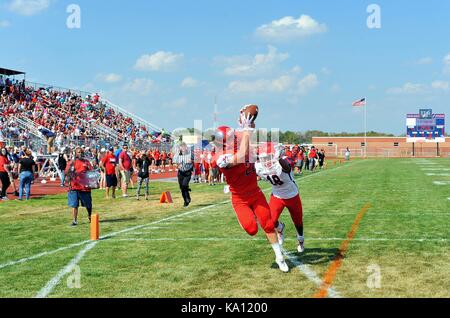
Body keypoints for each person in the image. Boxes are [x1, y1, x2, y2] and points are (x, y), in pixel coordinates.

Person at [215, 110, 289, 273]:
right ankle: (269, 222)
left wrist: (246, 124)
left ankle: (279, 256)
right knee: (252, 229)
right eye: (231, 139)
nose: (235, 139)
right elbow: (241, 155)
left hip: (255, 193)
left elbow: (249, 136)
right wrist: (247, 130)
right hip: (240, 198)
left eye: (234, 137)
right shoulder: (221, 158)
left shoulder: (240, 141)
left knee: (267, 225)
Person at [255, 142, 305, 253]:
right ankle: (280, 228)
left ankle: (301, 240)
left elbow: (287, 167)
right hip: (277, 195)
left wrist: (278, 159)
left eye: (269, 157)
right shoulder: (259, 166)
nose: (266, 161)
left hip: (292, 195)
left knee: (298, 221)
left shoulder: (284, 160)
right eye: (264, 158)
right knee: (270, 222)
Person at [66, 147, 94, 226]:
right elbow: (66, 173)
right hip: (74, 187)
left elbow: (91, 172)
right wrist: (70, 173)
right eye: (78, 152)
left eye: (81, 152)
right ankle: (74, 220)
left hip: (84, 187)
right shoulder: (72, 162)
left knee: (88, 204)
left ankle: (90, 216)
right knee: (75, 205)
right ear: (75, 153)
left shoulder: (86, 162)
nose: (80, 153)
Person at [173, 143, 194, 207]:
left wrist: (191, 161)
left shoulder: (190, 154)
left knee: (184, 185)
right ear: (180, 148)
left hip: (187, 172)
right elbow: (174, 163)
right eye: (182, 147)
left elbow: (196, 160)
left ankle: (188, 198)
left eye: (184, 147)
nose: (183, 149)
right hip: (180, 173)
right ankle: (185, 201)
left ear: (186, 148)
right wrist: (177, 165)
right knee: (182, 188)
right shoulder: (177, 154)